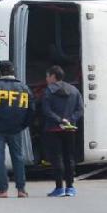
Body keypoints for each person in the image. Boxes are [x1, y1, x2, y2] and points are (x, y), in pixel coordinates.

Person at [0, 60, 35, 198]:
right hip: (16, 129)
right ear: (13, 71)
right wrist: (23, 125)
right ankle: (21, 189)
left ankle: (3, 189)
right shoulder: (24, 88)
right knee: (18, 157)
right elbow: (32, 110)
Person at [41, 65, 84, 197]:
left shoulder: (48, 91)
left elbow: (46, 110)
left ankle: (59, 187)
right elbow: (80, 109)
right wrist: (69, 120)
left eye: (47, 76)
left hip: (53, 129)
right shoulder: (74, 90)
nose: (46, 79)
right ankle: (70, 187)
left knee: (57, 158)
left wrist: (59, 120)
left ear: (53, 76)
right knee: (69, 157)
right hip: (70, 129)